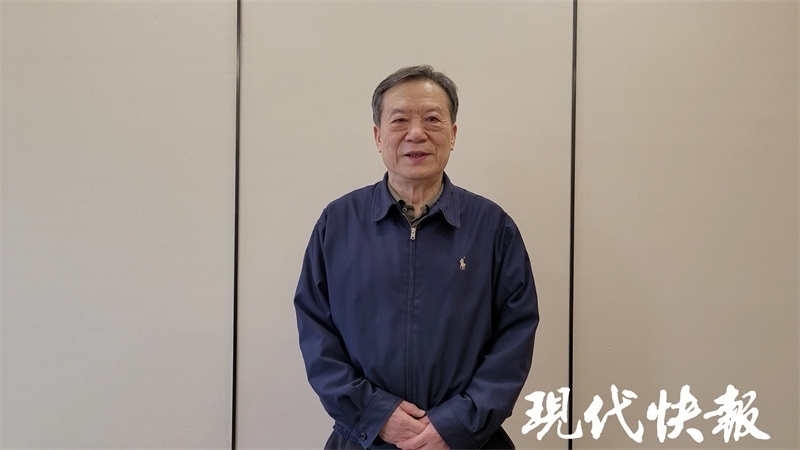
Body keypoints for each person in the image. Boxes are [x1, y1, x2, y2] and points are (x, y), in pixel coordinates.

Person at [294, 65, 539, 450]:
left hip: (467, 441)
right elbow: (316, 331)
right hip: (364, 439)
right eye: (399, 120)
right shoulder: (338, 223)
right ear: (378, 136)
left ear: (453, 134)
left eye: (432, 119)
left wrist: (454, 424)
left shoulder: (492, 226)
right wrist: (376, 415)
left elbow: (515, 336)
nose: (416, 133)